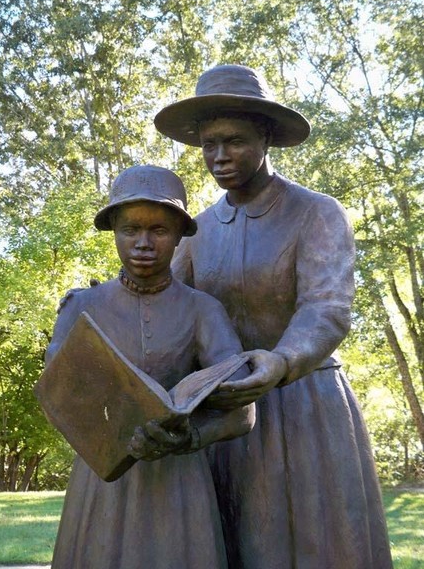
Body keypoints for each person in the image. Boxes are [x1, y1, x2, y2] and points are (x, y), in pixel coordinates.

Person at [154, 65, 393, 568]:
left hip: (303, 406)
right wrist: (107, 302)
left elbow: (326, 307)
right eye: (209, 143)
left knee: (310, 545)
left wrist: (283, 360)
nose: (219, 157)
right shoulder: (196, 230)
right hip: (224, 413)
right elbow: (169, 301)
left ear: (266, 137)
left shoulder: (316, 212)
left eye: (235, 141)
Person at [43, 164, 255, 569]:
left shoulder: (203, 311)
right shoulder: (81, 307)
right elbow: (56, 395)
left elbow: (243, 411)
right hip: (102, 481)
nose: (143, 243)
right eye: (130, 230)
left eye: (158, 230)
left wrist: (190, 437)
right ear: (114, 232)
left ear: (178, 236)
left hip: (180, 482)